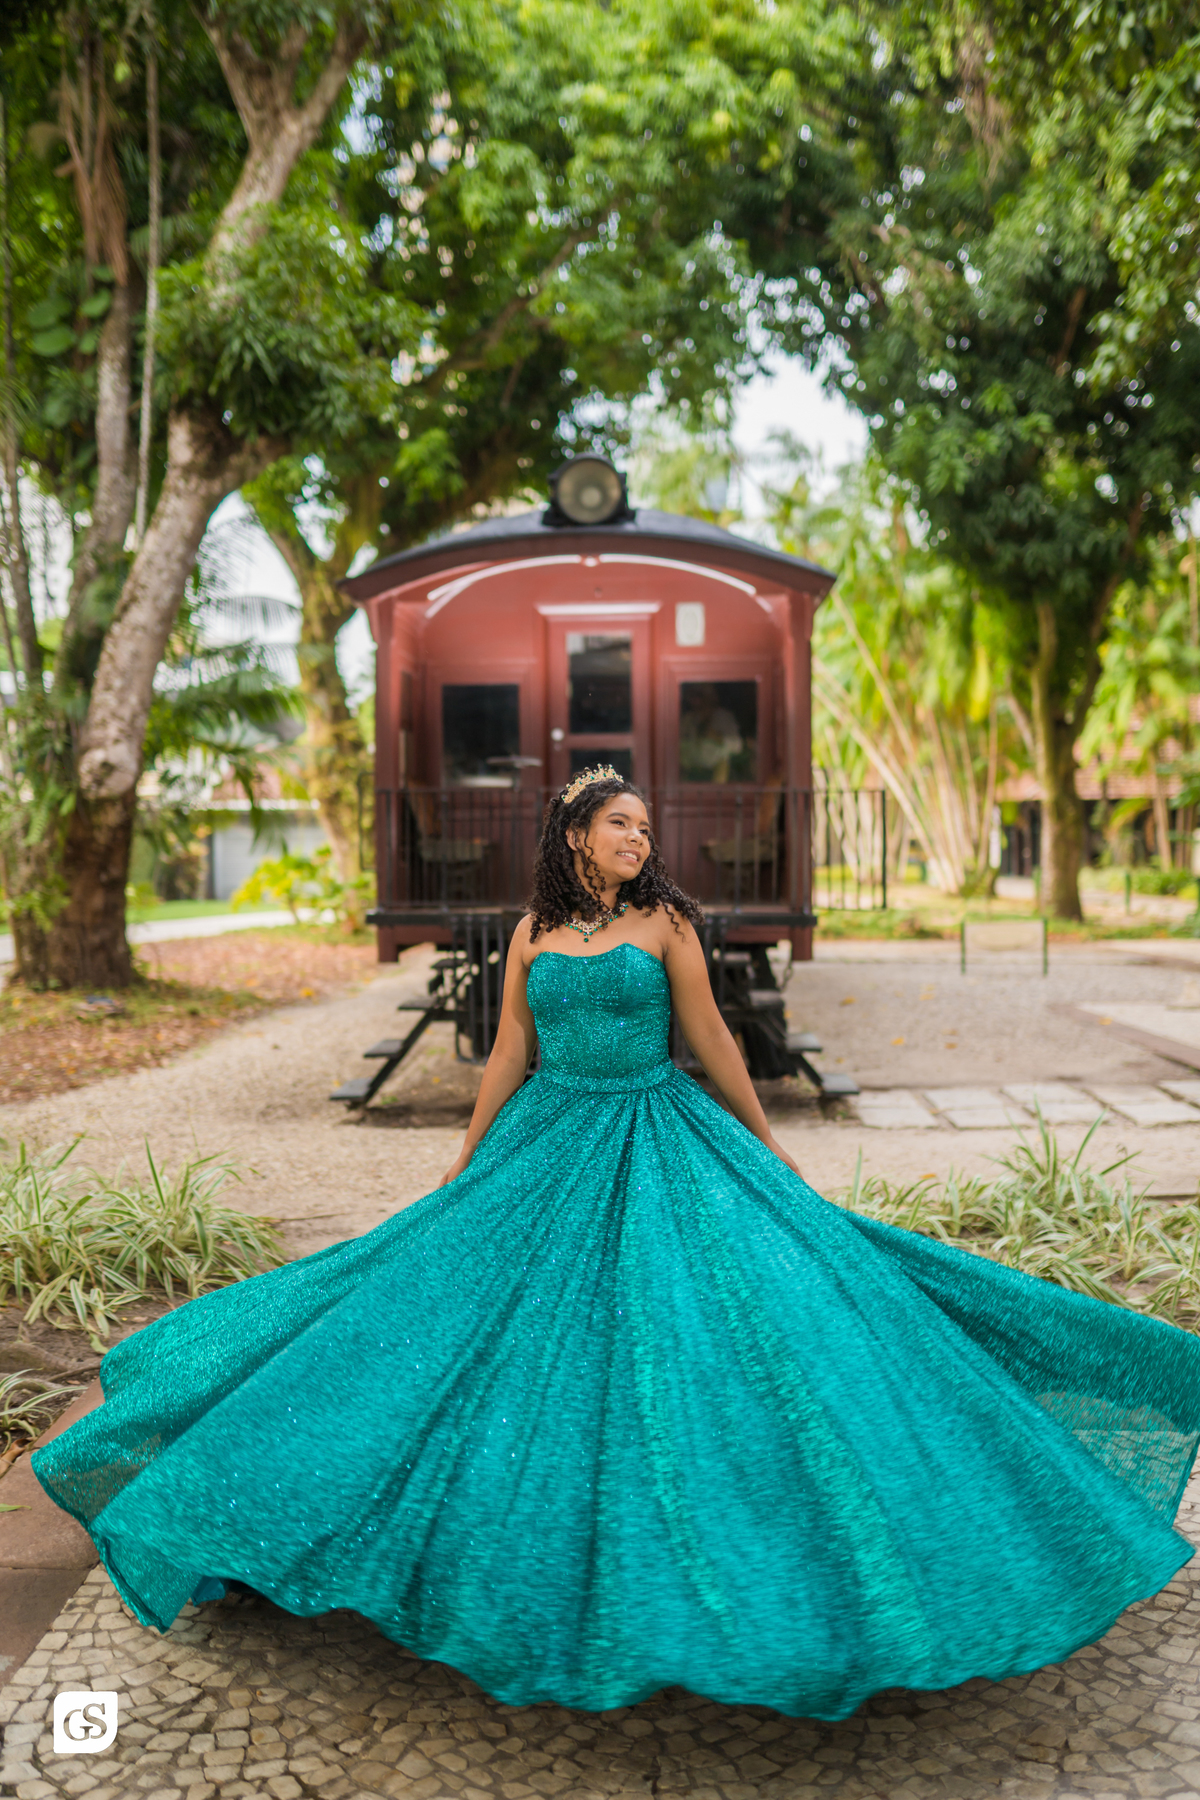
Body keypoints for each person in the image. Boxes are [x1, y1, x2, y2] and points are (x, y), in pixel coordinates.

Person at [32, 767, 1200, 1722]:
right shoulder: (534, 931)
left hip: (660, 1132)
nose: (643, 838)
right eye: (622, 824)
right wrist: (466, 1156)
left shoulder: (671, 923)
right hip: (547, 1140)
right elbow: (506, 1056)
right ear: (577, 837)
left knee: (745, 1324)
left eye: (648, 824)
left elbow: (717, 1043)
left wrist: (770, 1148)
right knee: (418, 1317)